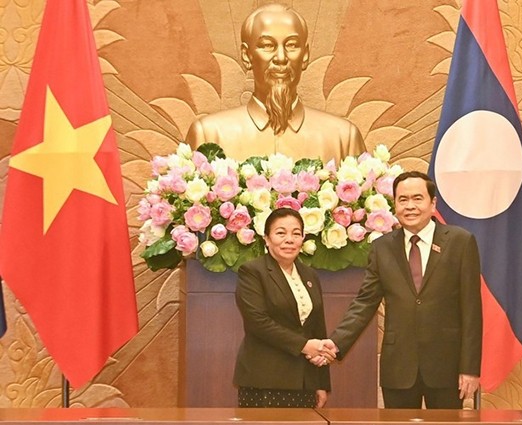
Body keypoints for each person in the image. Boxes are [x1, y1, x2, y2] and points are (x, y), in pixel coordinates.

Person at [324, 171, 482, 409]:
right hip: (399, 367)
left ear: (432, 203)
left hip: (446, 366)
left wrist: (469, 368)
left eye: (417, 199)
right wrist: (336, 344)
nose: (410, 206)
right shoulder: (382, 248)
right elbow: (365, 303)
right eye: (403, 199)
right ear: (395, 204)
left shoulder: (460, 242)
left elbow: (472, 310)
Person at [186, 4, 366, 164]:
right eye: (267, 45)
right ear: (246, 56)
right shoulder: (208, 135)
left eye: (292, 45)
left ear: (305, 56)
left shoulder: (344, 139)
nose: (281, 58)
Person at [234, 207, 336, 408]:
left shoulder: (310, 275)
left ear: (303, 238)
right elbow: (258, 323)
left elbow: (317, 329)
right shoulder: (253, 272)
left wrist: (321, 383)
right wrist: (305, 346)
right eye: (281, 233)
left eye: (296, 233)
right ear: (267, 238)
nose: (289, 239)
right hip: (265, 380)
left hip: (305, 382)